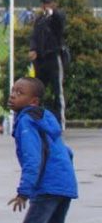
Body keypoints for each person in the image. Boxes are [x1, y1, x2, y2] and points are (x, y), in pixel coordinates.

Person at [7, 77, 78, 223]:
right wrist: (63, 176)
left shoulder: (27, 121)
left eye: (20, 93)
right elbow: (67, 152)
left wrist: (24, 192)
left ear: (33, 101)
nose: (13, 95)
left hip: (48, 187)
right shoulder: (44, 119)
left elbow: (32, 159)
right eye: (13, 90)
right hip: (65, 185)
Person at [28, 0, 67, 126]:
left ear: (53, 3)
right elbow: (34, 36)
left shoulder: (57, 16)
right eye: (44, 3)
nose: (45, 5)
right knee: (38, 90)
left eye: (48, 2)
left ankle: (60, 122)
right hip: (41, 60)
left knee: (57, 91)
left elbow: (59, 25)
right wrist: (32, 49)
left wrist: (53, 12)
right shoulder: (40, 19)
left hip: (53, 58)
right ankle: (39, 119)